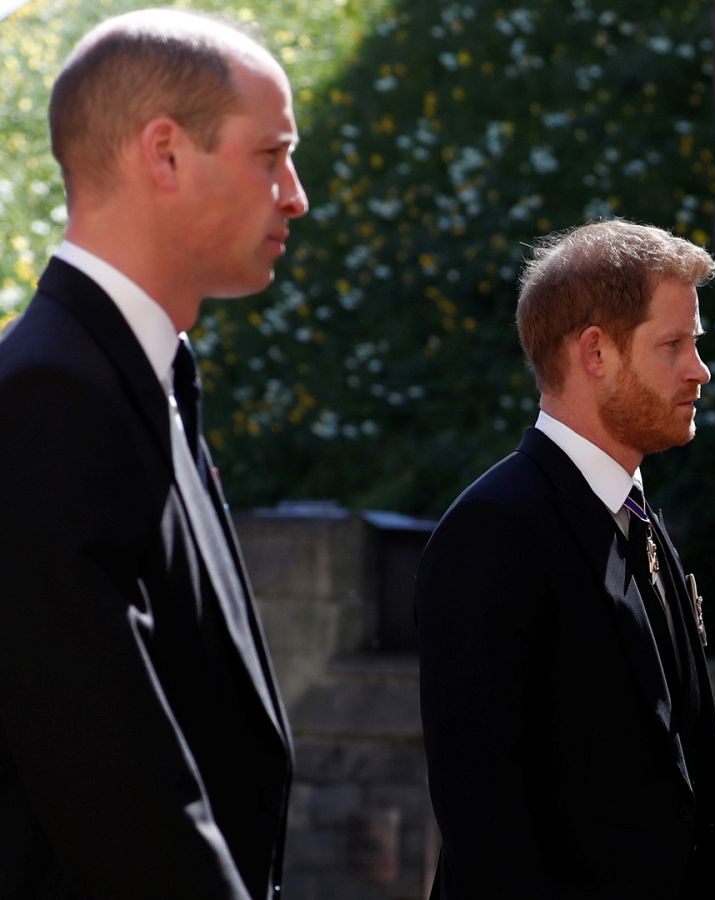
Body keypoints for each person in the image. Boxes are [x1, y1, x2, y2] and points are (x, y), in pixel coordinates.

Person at [0, 9, 306, 900]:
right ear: (164, 153)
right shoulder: (47, 397)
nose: (295, 195)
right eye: (270, 155)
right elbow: (115, 797)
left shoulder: (137, 374)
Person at [416, 219, 715, 898]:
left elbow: (705, 814)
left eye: (695, 343)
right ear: (596, 352)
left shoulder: (642, 521)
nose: (700, 370)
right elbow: (489, 834)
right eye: (674, 345)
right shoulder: (493, 530)